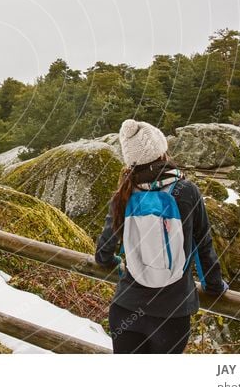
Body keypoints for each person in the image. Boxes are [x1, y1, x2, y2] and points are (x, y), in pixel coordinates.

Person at [95, 119, 229, 354]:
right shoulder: (186, 191)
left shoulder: (123, 194)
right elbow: (203, 247)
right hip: (172, 314)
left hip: (125, 309)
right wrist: (214, 287)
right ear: (161, 152)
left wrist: (115, 263)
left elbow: (104, 252)